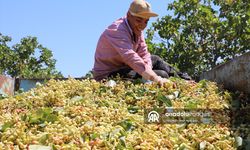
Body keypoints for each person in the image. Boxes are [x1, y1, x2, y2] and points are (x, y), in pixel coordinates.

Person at [92, 0, 191, 85]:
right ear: (129, 15)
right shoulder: (118, 31)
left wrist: (148, 72)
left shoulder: (136, 30)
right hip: (109, 74)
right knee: (161, 74)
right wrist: (155, 78)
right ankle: (167, 80)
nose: (142, 25)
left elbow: (144, 54)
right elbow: (131, 58)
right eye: (139, 20)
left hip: (126, 67)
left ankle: (184, 80)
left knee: (156, 59)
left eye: (146, 22)